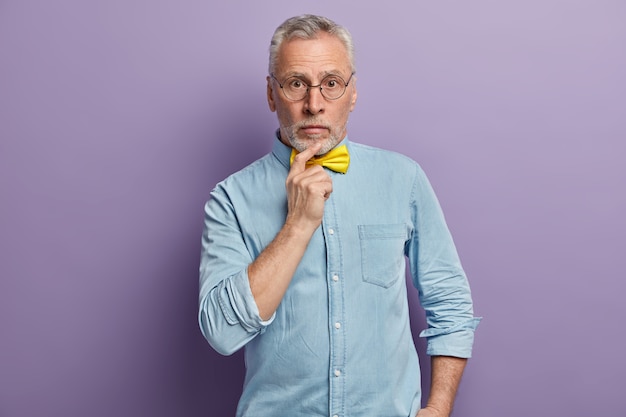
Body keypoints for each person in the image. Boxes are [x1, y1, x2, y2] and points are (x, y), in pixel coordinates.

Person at [199, 14, 480, 417]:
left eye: (330, 83)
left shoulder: (403, 178)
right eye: (297, 83)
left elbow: (450, 301)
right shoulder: (230, 199)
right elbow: (223, 333)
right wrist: (297, 224)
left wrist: (438, 407)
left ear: (352, 93)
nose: (314, 104)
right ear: (271, 93)